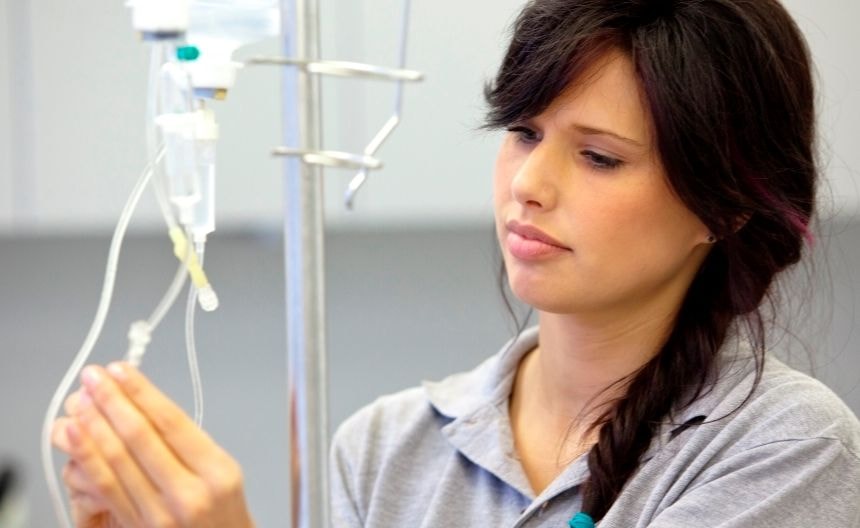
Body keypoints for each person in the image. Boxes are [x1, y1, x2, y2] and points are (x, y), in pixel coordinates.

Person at [52, 0, 860, 526]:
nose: (530, 187)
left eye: (600, 158)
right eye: (524, 133)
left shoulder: (782, 448)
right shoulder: (385, 449)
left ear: (725, 207)